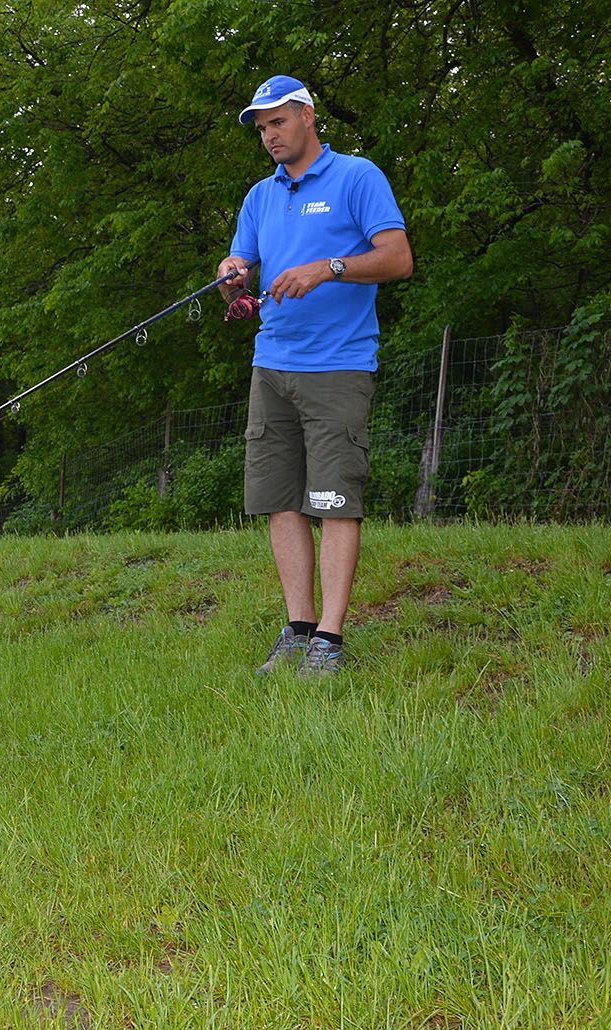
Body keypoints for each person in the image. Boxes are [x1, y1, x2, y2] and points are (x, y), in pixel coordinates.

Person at [216, 75, 413, 677]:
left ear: (306, 116)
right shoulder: (260, 197)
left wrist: (327, 269)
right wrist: (231, 273)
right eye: (261, 127)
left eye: (277, 121)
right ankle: (298, 629)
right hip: (270, 364)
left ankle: (331, 639)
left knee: (333, 502)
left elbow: (398, 259)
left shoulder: (358, 177)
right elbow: (242, 261)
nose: (269, 135)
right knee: (279, 501)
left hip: (339, 365)